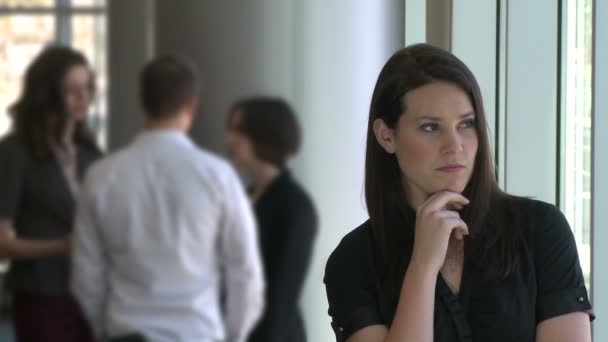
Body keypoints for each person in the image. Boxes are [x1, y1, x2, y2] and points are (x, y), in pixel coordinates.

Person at [323, 43, 594, 342]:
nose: (455, 146)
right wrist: (423, 268)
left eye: (466, 124)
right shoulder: (353, 261)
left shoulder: (541, 229)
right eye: (430, 127)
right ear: (386, 136)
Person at [71, 55, 265, 342]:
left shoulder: (101, 176)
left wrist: (105, 328)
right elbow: (245, 271)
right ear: (192, 106)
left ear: (141, 101)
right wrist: (234, 335)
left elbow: (86, 274)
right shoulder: (218, 176)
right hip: (197, 332)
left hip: (126, 331)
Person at [0, 45, 100, 341]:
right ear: (47, 95)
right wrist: (61, 245)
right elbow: (3, 244)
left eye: (87, 89)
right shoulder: (15, 152)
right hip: (41, 295)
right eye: (72, 91)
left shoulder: (90, 153)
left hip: (91, 291)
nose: (84, 99)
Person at [226, 97, 318, 342]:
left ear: (263, 134)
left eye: (239, 130)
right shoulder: (238, 197)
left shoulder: (296, 206)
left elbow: (282, 295)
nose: (230, 140)